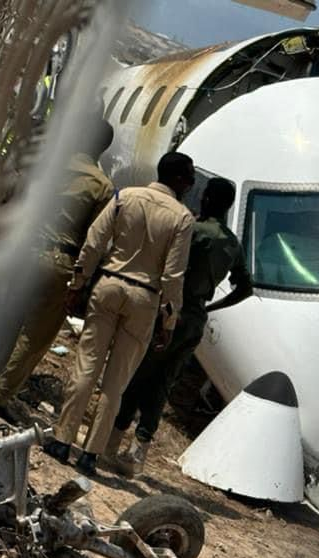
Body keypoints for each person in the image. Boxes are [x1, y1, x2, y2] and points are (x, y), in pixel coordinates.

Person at [43, 152, 196, 476]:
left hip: (109, 285)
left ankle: (61, 440)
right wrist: (169, 319)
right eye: (190, 178)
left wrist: (78, 282)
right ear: (180, 180)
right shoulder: (182, 218)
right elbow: (173, 275)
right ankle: (90, 454)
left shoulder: (125, 196)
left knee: (86, 366)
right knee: (116, 381)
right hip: (145, 298)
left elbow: (94, 242)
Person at [106, 177, 252, 476]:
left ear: (206, 198)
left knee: (138, 375)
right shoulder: (232, 244)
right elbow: (245, 288)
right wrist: (209, 307)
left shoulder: (194, 230)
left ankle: (112, 440)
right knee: (162, 385)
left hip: (170, 313)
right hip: (195, 319)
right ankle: (138, 452)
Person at [0, 120, 115, 424]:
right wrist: (81, 281)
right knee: (36, 334)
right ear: (104, 147)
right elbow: (94, 240)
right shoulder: (101, 186)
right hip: (60, 261)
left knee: (7, 318)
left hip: (24, 250)